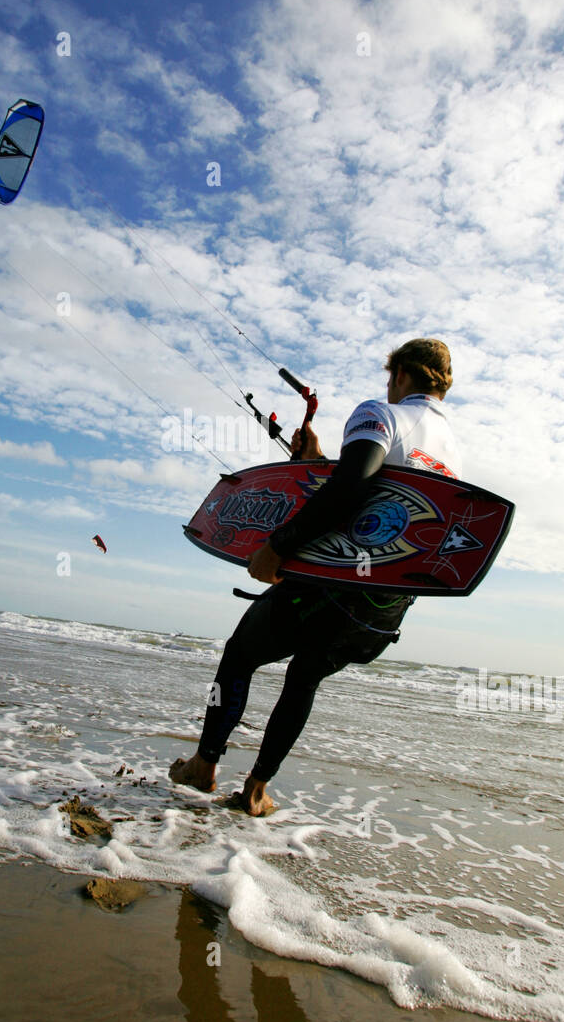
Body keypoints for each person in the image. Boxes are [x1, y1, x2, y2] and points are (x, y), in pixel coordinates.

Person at [169, 338, 462, 815]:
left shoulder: (381, 414)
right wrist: (315, 460)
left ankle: (203, 765)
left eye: (390, 377)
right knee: (303, 679)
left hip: (331, 587)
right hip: (384, 606)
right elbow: (386, 500)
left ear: (402, 374)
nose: (386, 387)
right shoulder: (452, 450)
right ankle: (256, 791)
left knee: (239, 654)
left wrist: (277, 547)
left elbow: (350, 487)